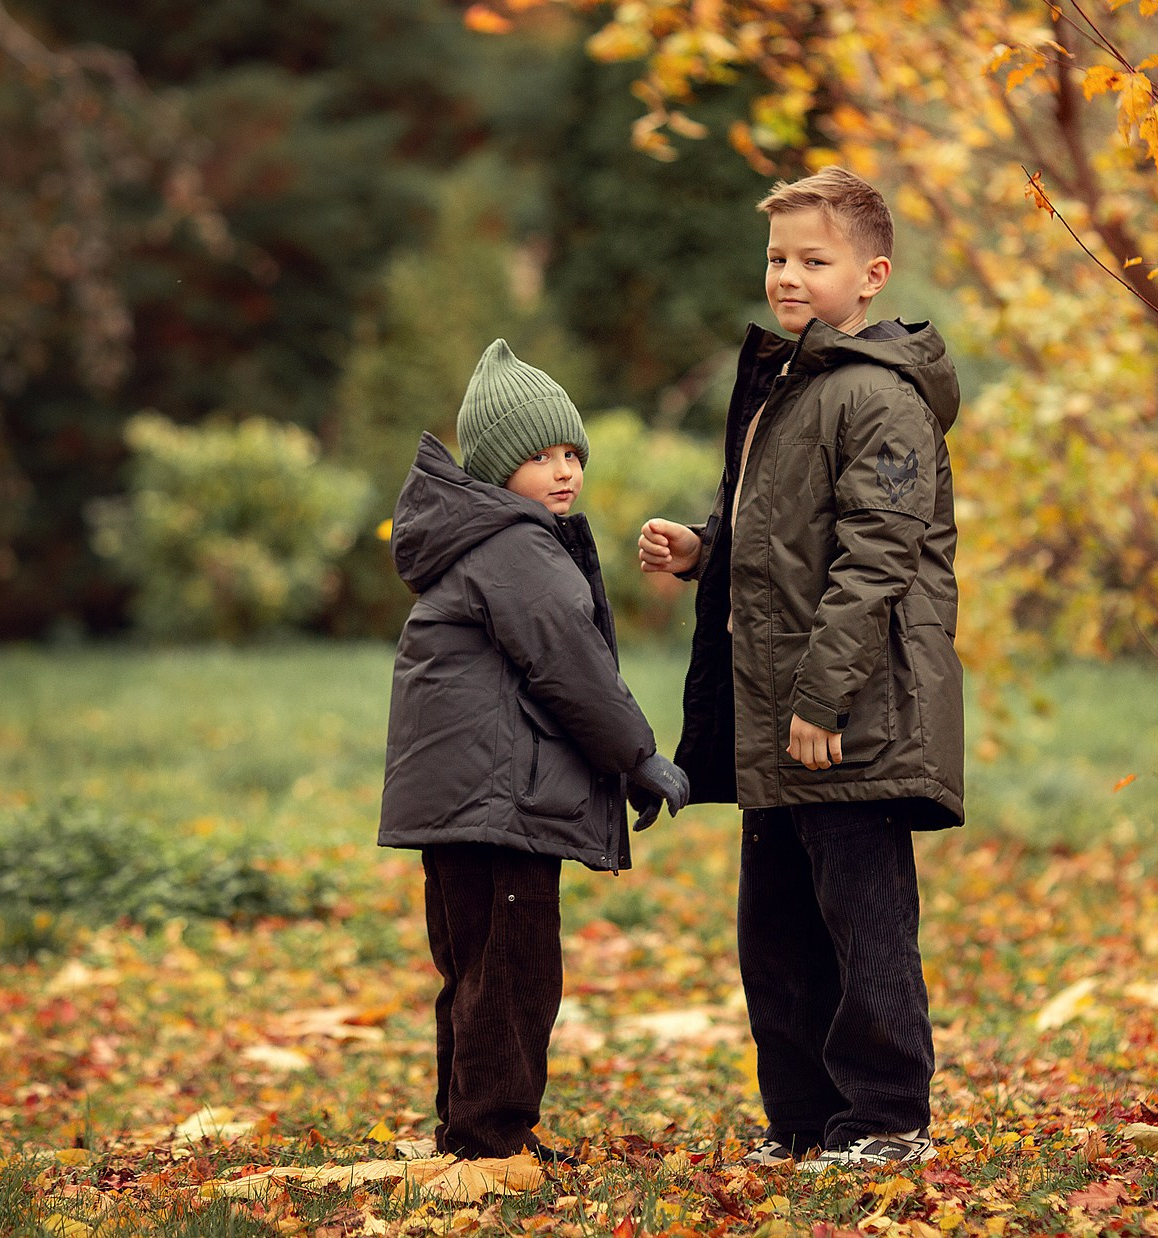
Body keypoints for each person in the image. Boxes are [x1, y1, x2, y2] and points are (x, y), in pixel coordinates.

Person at [637, 166, 964, 1170]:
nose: (786, 276)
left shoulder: (880, 397)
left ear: (871, 276)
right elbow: (784, 538)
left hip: (851, 714)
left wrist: (824, 698)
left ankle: (887, 1119)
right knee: (776, 930)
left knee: (864, 925)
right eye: (777, 257)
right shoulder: (790, 384)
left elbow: (875, 560)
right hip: (774, 709)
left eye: (812, 261)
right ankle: (802, 1120)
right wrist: (705, 548)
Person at [381, 338, 690, 1163]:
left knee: (475, 970)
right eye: (540, 457)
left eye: (571, 454)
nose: (564, 472)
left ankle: (468, 1131)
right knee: (513, 972)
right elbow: (570, 665)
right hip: (499, 804)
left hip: (463, 801)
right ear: (494, 468)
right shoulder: (515, 547)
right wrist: (637, 757)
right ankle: (491, 1142)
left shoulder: (475, 541)